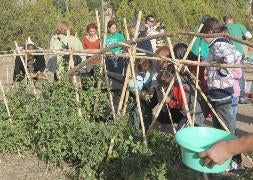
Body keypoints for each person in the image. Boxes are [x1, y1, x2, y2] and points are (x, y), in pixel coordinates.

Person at [224, 14, 252, 104]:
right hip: (238, 53)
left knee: (227, 73)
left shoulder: (222, 28)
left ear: (224, 21)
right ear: (232, 19)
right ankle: (242, 97)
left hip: (226, 54)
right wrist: (242, 37)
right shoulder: (239, 26)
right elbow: (249, 36)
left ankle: (229, 94)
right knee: (239, 75)